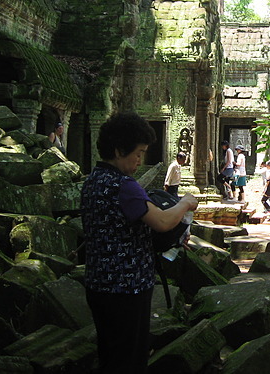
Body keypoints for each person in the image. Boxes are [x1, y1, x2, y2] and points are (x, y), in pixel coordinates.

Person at [80, 112, 198, 374]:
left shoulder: (92, 182)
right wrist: (185, 203)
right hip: (127, 288)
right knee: (130, 360)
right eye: (138, 153)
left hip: (98, 284)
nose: (139, 160)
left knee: (110, 357)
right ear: (120, 150)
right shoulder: (125, 186)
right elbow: (163, 222)